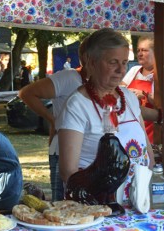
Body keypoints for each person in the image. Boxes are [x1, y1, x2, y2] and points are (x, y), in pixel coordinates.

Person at [58, 28, 154, 203]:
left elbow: (148, 153)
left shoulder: (130, 99)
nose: (121, 70)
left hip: (136, 203)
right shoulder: (77, 105)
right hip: (96, 205)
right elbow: (68, 172)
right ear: (92, 62)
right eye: (113, 62)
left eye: (124, 62)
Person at [18, 38, 88, 202]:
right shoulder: (69, 77)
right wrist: (53, 119)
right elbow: (26, 93)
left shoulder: (105, 83)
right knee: (62, 203)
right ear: (86, 57)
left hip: (87, 150)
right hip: (63, 149)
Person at [122, 35, 160, 141]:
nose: (139, 54)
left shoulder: (160, 76)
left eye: (144, 50)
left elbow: (162, 105)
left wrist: (144, 95)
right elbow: (120, 90)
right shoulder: (135, 70)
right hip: (130, 128)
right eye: (138, 50)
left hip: (152, 130)